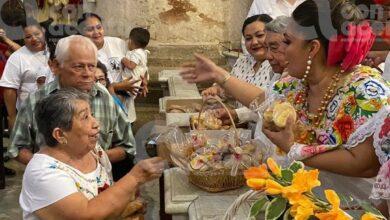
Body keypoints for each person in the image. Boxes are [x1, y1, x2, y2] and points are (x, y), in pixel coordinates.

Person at [181, 0, 389, 180]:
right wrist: (220, 75)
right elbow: (264, 101)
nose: (281, 50)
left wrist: (293, 148)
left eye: (288, 42)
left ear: (313, 48)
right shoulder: (298, 83)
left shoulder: (366, 91)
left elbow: (364, 163)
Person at [19, 88, 165, 220]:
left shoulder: (94, 151)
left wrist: (124, 209)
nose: (96, 123)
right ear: (60, 134)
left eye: (92, 114)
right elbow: (86, 215)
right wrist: (135, 177)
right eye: (85, 117)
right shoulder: (43, 173)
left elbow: (105, 197)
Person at [8, 35, 136, 179]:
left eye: (91, 66)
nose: (88, 74)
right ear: (56, 66)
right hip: (52, 188)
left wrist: (94, 159)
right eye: (79, 66)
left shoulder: (104, 97)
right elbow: (17, 148)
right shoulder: (36, 101)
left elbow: (127, 146)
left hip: (98, 190)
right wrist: (52, 167)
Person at [202, 14, 276, 126]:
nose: (254, 42)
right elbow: (230, 89)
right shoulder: (242, 61)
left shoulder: (277, 65)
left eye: (260, 35)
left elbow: (270, 104)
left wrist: (236, 114)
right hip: (239, 128)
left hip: (266, 131)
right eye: (248, 38)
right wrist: (217, 90)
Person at [0, 18, 50, 131]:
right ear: (24, 39)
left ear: (43, 32)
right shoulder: (17, 57)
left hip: (55, 112)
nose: (34, 39)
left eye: (37, 34)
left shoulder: (54, 51)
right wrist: (12, 117)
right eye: (28, 37)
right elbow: (9, 89)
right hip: (27, 115)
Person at [77, 13, 141, 98]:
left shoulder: (118, 43)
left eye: (99, 27)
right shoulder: (78, 54)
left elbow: (138, 59)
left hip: (126, 101)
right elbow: (86, 85)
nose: (96, 32)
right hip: (101, 103)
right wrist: (118, 86)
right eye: (90, 29)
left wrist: (142, 77)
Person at [121, 27, 150, 123]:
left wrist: (124, 60)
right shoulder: (143, 53)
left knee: (125, 98)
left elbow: (131, 66)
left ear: (131, 41)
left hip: (131, 81)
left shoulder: (136, 53)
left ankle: (124, 116)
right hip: (136, 82)